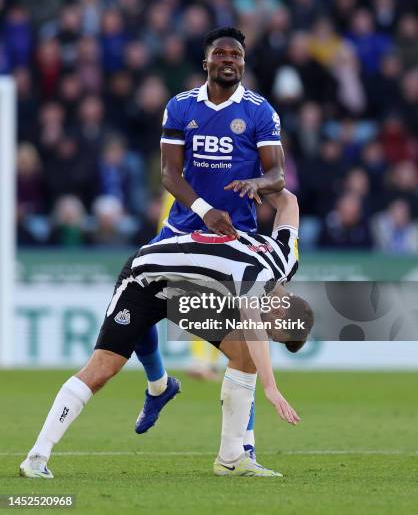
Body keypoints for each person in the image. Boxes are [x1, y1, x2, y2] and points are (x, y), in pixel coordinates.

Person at [20, 190, 313, 479]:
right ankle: (38, 455)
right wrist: (271, 388)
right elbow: (253, 329)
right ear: (279, 311)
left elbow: (289, 202)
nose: (268, 334)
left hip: (190, 290)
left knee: (244, 356)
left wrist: (262, 182)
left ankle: (232, 458)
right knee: (103, 368)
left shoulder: (287, 258)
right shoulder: (256, 280)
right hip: (145, 281)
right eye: (274, 333)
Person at [133, 26, 285, 460]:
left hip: (236, 238)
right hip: (183, 228)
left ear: (243, 62)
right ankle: (159, 383)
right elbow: (168, 174)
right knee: (135, 307)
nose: (228, 60)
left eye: (235, 54)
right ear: (206, 62)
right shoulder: (181, 106)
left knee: (245, 344)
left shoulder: (260, 111)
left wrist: (258, 181)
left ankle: (245, 448)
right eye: (220, 53)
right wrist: (204, 211)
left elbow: (278, 175)